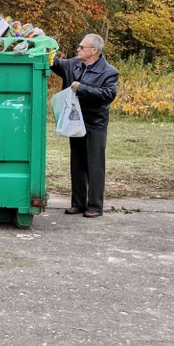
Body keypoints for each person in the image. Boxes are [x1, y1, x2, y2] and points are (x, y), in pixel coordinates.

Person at [51, 34, 119, 218]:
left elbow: (108, 94)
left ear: (94, 51)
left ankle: (95, 206)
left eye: (82, 47)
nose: (78, 49)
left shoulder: (109, 71)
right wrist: (41, 42)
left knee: (95, 165)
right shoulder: (72, 65)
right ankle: (78, 204)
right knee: (78, 164)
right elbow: (54, 62)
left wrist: (80, 88)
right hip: (74, 121)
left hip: (94, 123)